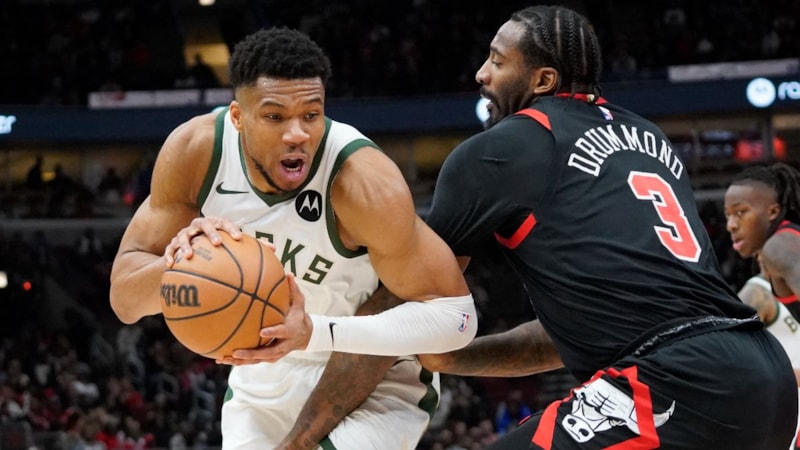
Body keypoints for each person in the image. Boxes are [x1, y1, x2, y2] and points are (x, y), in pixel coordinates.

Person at [409, 5, 797, 449]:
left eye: (497, 61)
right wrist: (451, 359)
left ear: (543, 80)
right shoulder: (649, 137)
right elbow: (563, 338)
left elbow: (413, 304)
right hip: (766, 377)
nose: (481, 73)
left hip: (681, 379)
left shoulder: (502, 149)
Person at [108, 27, 477, 450]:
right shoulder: (197, 152)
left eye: (311, 114)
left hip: (374, 371)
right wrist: (185, 261)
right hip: (264, 372)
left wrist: (314, 331)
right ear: (238, 117)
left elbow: (458, 321)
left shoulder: (364, 183)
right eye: (275, 117)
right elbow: (125, 301)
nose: (297, 134)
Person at [725, 162, 800, 321]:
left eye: (740, 212)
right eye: (728, 215)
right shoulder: (785, 242)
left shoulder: (780, 246)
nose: (731, 225)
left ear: (772, 212)